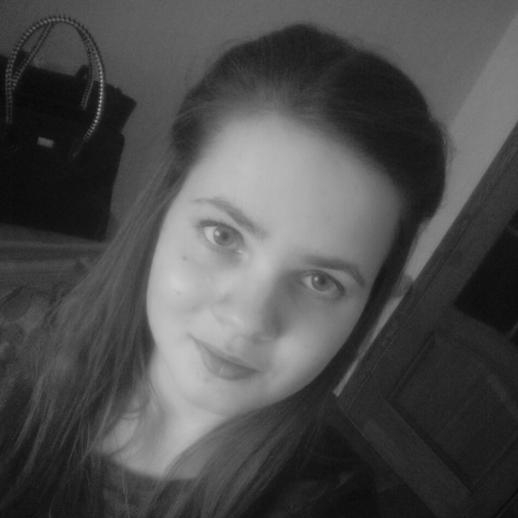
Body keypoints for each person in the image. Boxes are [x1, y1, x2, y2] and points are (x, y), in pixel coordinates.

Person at [0, 23, 446, 518]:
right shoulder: (22, 343)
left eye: (321, 281)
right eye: (223, 235)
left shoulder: (331, 504)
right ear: (164, 208)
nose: (248, 319)